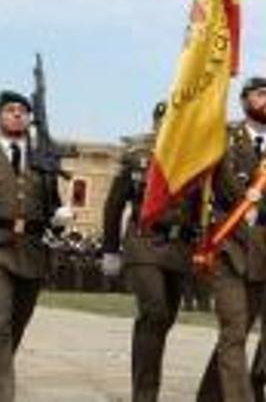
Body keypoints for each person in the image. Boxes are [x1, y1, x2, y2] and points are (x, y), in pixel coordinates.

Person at [196, 77, 266, 402]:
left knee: (248, 329)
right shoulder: (221, 142)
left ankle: (209, 396)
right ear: (245, 101)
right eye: (261, 94)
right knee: (233, 331)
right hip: (228, 244)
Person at [101, 101, 199, 402]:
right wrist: (110, 249)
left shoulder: (196, 161)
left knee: (162, 320)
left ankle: (145, 382)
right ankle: (144, 395)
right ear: (156, 124)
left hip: (180, 247)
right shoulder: (138, 159)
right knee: (154, 311)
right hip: (144, 242)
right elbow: (114, 205)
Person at [0, 90, 71, 401]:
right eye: (10, 109)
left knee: (16, 326)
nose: (17, 114)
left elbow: (51, 203)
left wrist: (58, 216)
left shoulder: (42, 160)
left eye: (22, 111)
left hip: (31, 250)